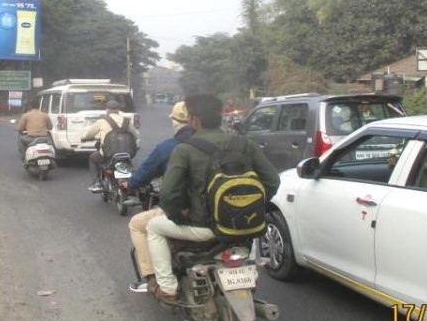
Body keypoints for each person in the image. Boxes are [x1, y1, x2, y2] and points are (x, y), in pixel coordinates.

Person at [146, 94, 280, 304]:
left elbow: (169, 193)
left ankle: (168, 288)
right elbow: (272, 181)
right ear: (220, 116)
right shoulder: (245, 144)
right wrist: (250, 209)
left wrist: (177, 216)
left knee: (153, 227)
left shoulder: (186, 150)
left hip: (204, 227)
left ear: (194, 120)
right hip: (247, 225)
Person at [122, 101, 193, 293]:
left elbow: (144, 173)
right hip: (219, 213)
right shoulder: (217, 144)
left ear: (175, 122)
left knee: (138, 224)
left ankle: (153, 278)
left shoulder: (167, 148)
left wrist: (129, 184)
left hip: (185, 214)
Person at [81, 100, 140, 192]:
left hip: (109, 154)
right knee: (129, 168)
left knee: (93, 158)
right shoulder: (127, 121)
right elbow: (136, 136)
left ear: (107, 110)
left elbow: (89, 134)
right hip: (126, 154)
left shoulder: (102, 121)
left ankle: (96, 183)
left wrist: (84, 138)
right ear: (118, 110)